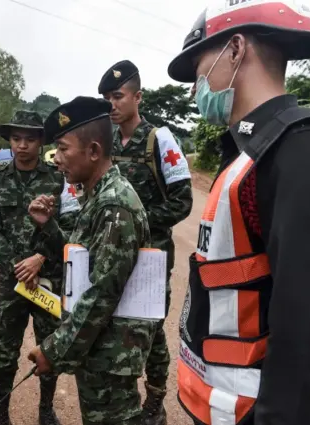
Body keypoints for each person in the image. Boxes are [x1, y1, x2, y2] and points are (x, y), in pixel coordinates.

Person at [168, 2, 310, 425]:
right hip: (229, 404)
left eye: (199, 68)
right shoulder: (251, 151)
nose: (196, 86)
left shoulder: (303, 148)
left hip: (262, 411)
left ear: (235, 49)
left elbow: (305, 319)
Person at [27, 96, 157, 425]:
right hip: (100, 350)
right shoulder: (99, 196)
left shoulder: (115, 204)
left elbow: (101, 293)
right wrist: (50, 227)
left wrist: (53, 351)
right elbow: (84, 260)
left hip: (111, 354)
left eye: (63, 148)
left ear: (94, 151)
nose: (56, 159)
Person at [98, 60, 193, 425]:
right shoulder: (104, 142)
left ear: (137, 97)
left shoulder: (159, 140)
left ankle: (155, 399)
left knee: (150, 328)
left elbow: (182, 200)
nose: (112, 104)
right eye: (107, 97)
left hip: (152, 256)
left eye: (118, 96)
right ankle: (123, 396)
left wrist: (138, 224)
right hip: (112, 255)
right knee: (115, 322)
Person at [0, 110, 79, 425]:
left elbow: (71, 229)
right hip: (12, 284)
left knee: (50, 348)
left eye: (30, 139)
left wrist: (41, 259)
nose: (22, 145)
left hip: (48, 281)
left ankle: (46, 410)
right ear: (10, 141)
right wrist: (17, 266)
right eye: (16, 138)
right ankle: (2, 416)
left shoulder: (58, 179)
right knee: (5, 353)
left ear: (41, 142)